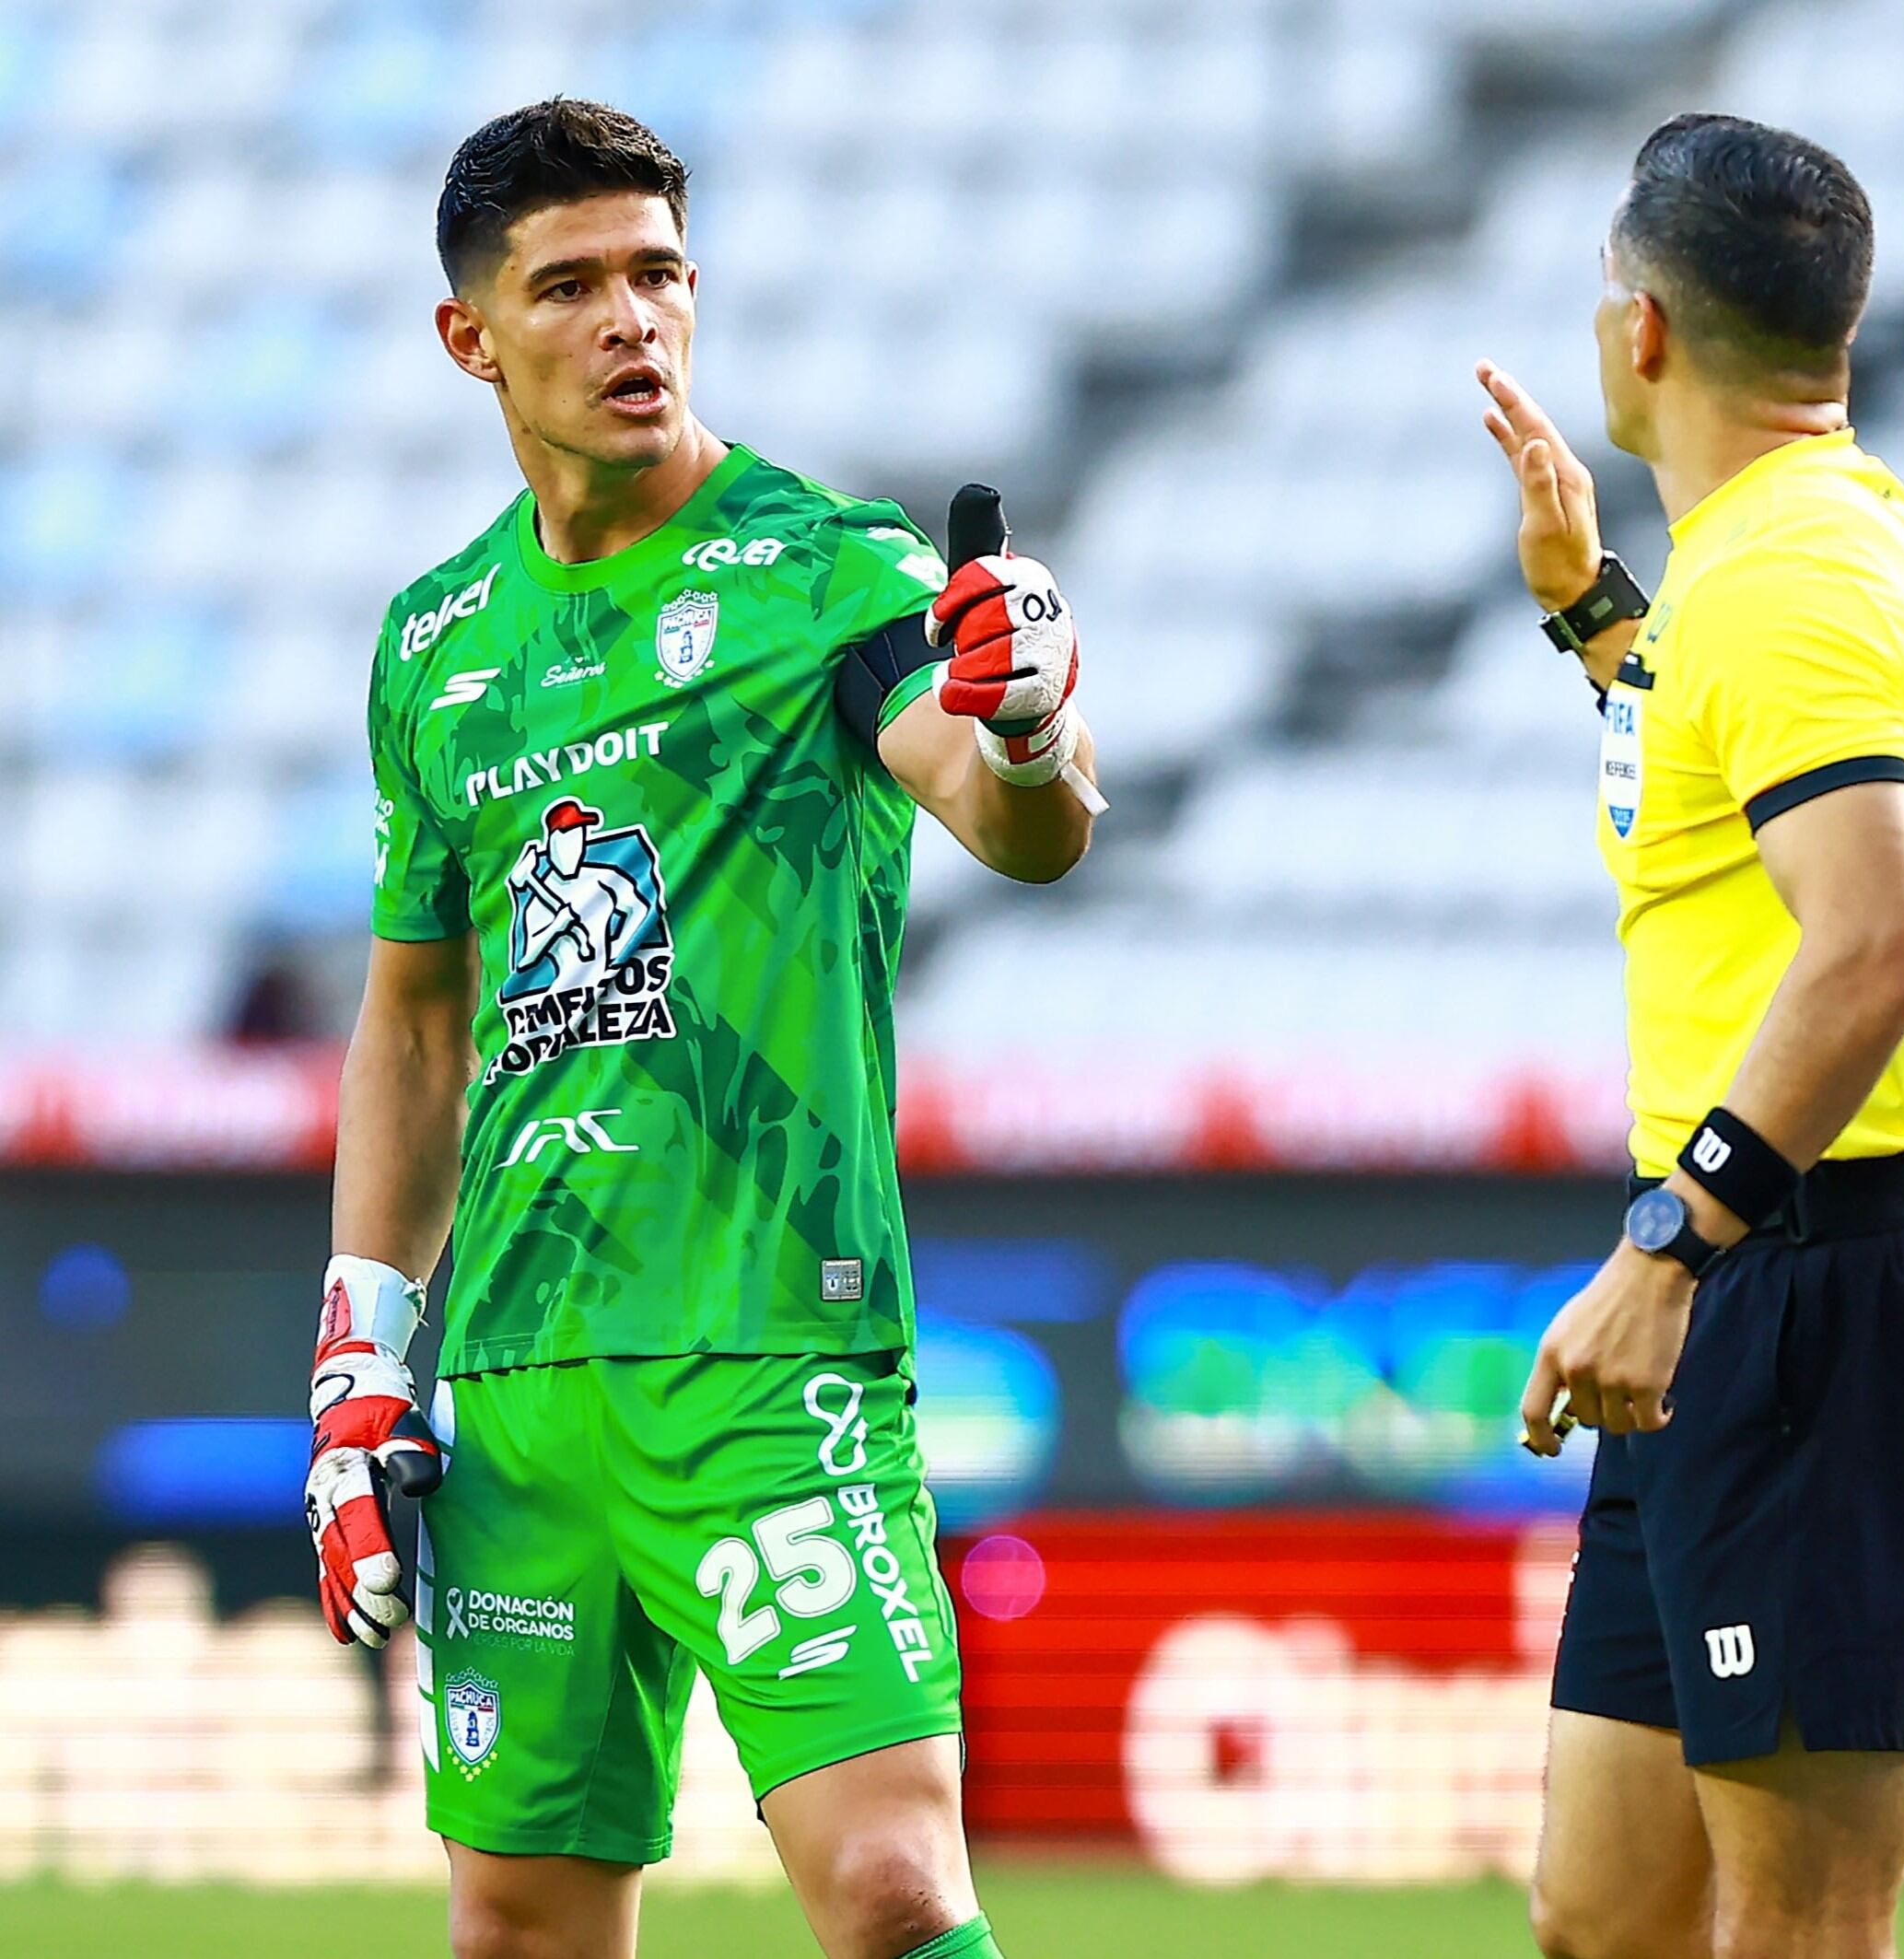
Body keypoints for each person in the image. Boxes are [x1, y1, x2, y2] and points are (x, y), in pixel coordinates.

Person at [299, 98, 1096, 1959]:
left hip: (767, 1360)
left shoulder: (827, 567)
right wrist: (359, 1360)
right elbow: (415, 1025)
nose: (630, 320)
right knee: (515, 1915)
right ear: (470, 338)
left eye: (657, 273)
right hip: (513, 1381)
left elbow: (1003, 816)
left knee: (894, 1887)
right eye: (568, 285)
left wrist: (1034, 721)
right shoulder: (437, 643)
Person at [1472, 111, 1904, 1959]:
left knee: (1794, 1926)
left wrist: (1671, 1242)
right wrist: (1587, 611)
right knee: (1605, 1916)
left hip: (1814, 1287)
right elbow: (1732, 779)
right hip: (1751, 1289)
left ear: (1637, 329)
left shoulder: (1790, 582)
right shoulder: (1789, 552)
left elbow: (1876, 950)